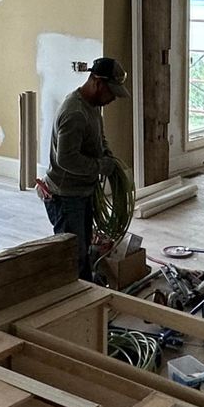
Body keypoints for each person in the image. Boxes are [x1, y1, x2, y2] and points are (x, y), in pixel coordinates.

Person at [40, 57, 128, 284]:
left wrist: (106, 153)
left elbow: (98, 137)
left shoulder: (92, 106)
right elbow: (67, 160)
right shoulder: (75, 113)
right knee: (71, 255)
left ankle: (86, 286)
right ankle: (74, 300)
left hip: (81, 192)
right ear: (98, 83)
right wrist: (101, 166)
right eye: (112, 92)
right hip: (66, 196)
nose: (113, 99)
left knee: (83, 247)